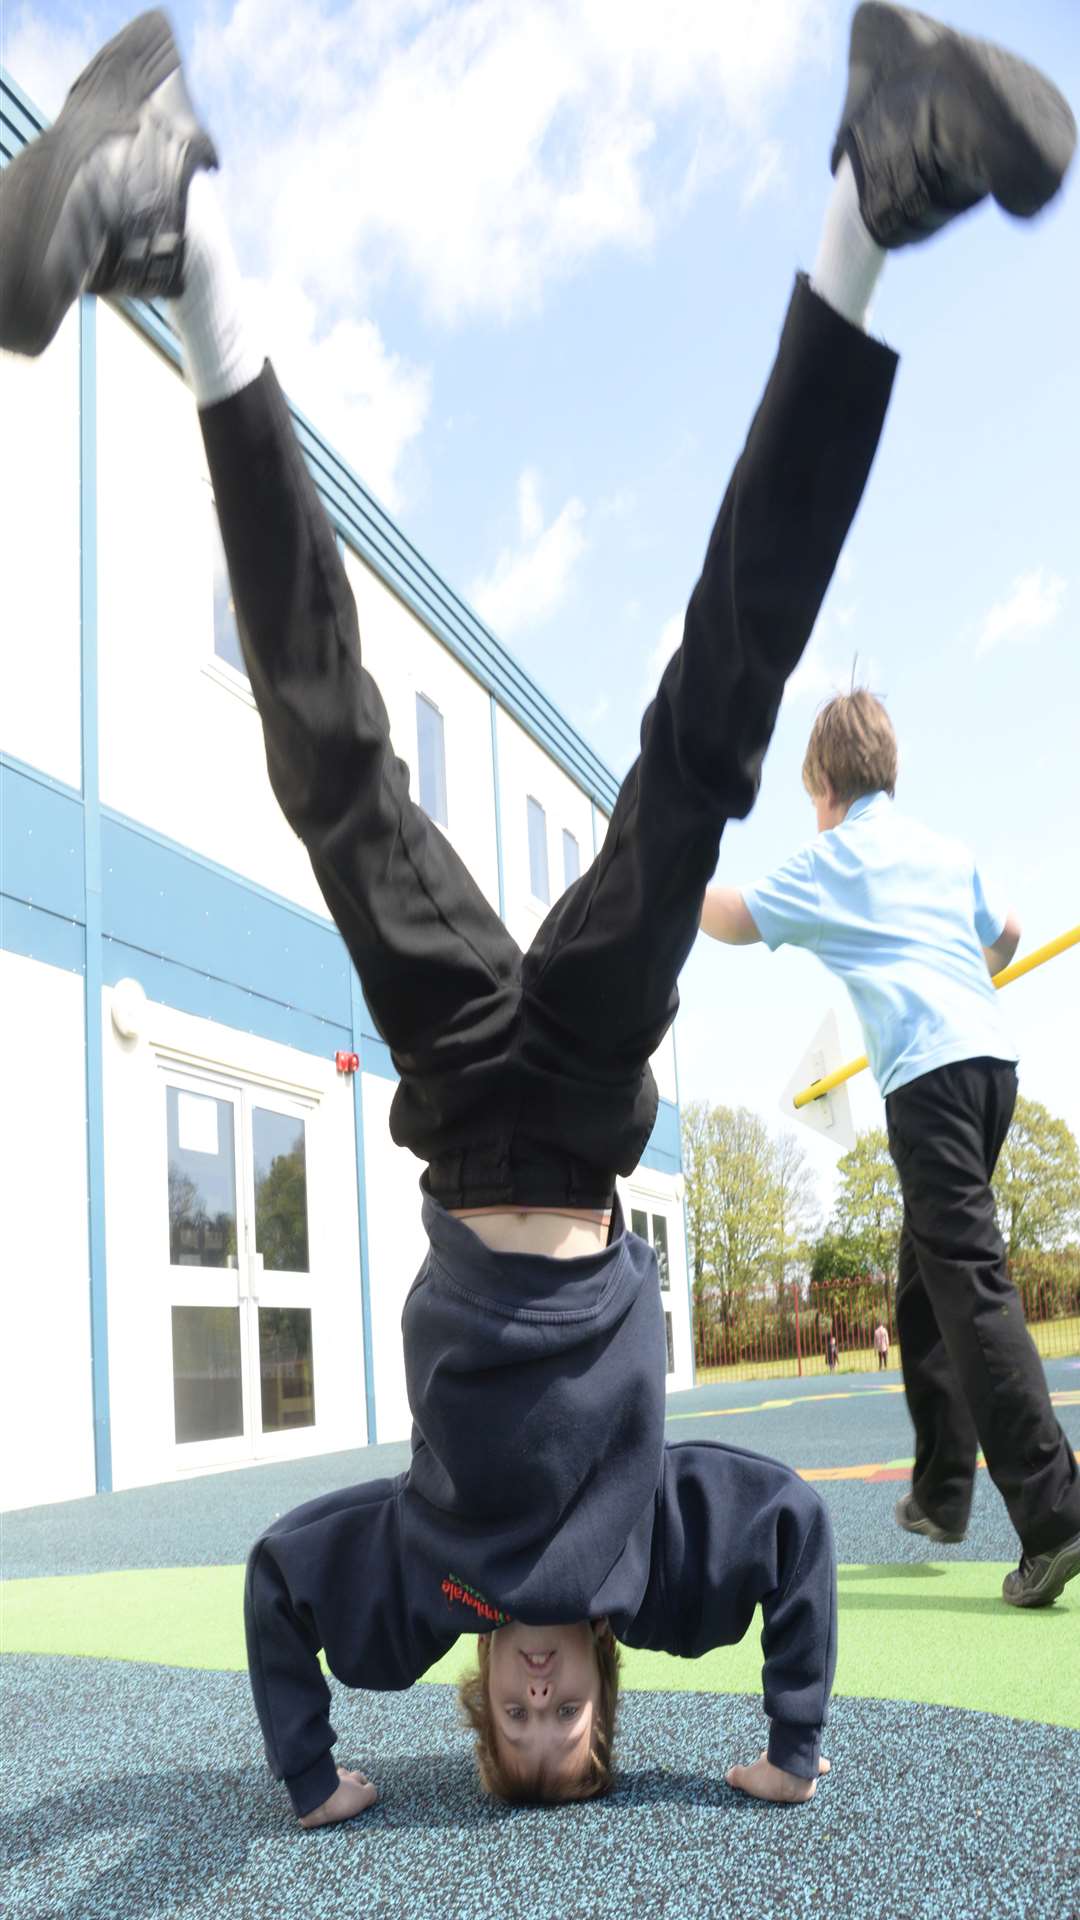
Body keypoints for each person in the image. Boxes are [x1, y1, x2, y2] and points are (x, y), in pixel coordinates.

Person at [2, 1, 1075, 1825]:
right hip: (575, 1096)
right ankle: (870, 202)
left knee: (323, 762)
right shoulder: (661, 1566)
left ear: (481, 1724)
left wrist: (312, 1773)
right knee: (712, 725)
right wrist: (796, 1742)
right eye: (577, 1722)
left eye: (521, 1728)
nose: (546, 1696)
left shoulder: (418, 1594)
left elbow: (276, 1586)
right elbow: (795, 1552)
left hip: (444, 1084)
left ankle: (183, 227)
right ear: (610, 1699)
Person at [701, 695, 1080, 1604]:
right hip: (993, 1068)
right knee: (923, 1282)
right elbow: (1012, 934)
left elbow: (733, 917)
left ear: (824, 786)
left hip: (930, 1084)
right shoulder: (941, 849)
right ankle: (944, 1491)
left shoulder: (835, 858)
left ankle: (1054, 1513)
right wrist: (961, 985)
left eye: (811, 797)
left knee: (971, 1290)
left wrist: (663, 863)